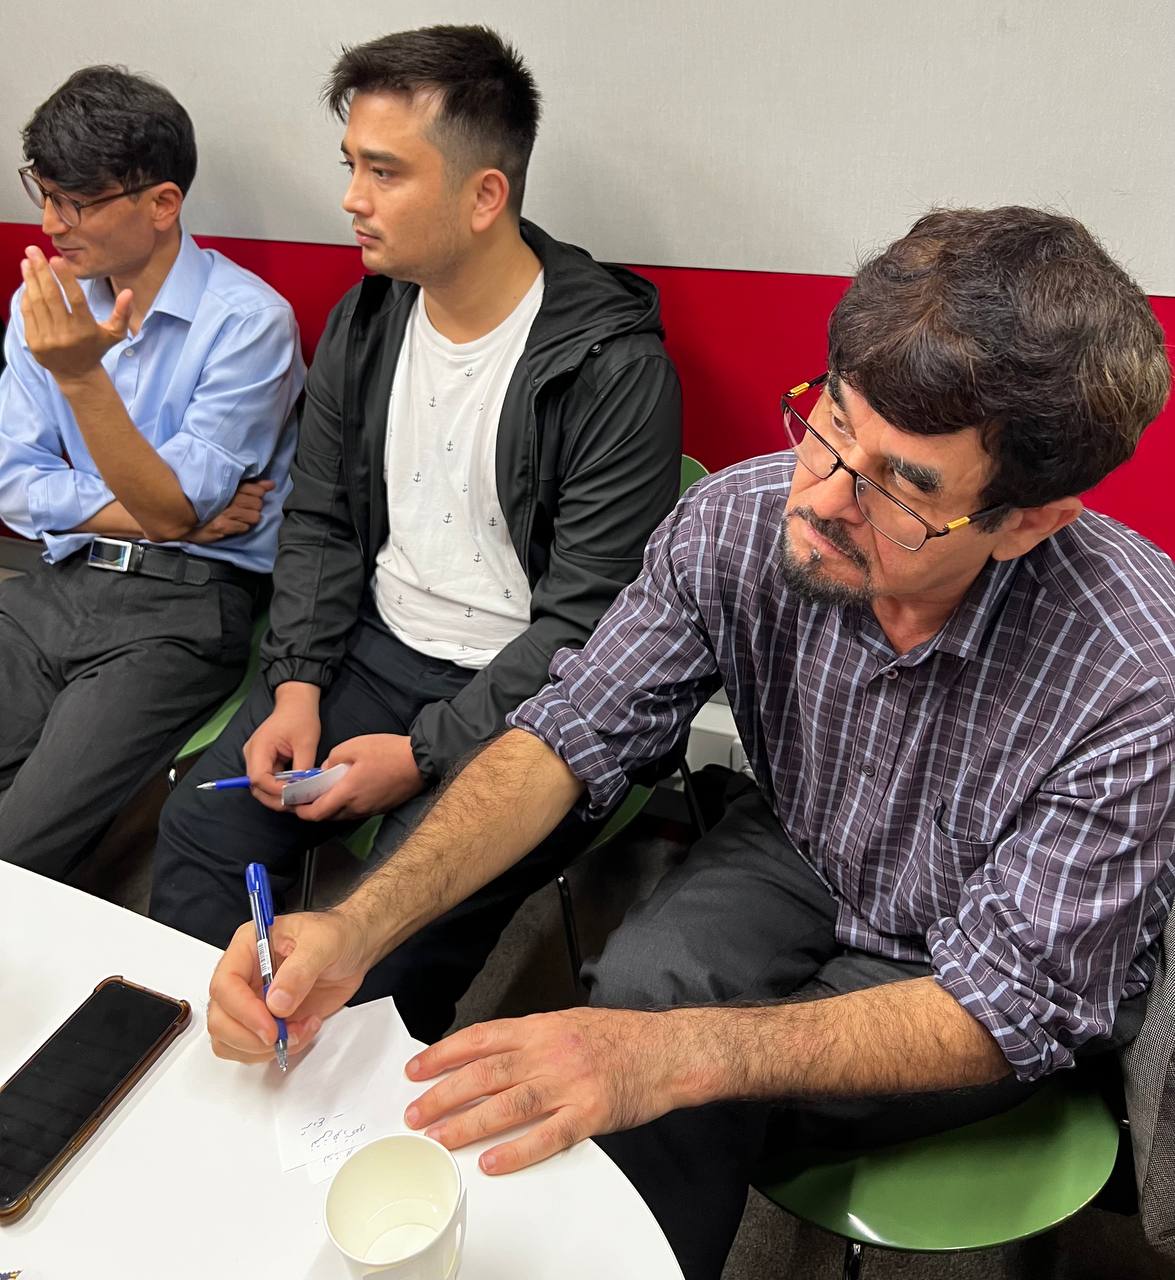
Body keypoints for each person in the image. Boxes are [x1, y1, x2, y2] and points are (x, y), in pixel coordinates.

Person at [205, 205, 1174, 1278]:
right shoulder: (735, 521)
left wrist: (675, 1060)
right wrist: (358, 923)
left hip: (984, 941)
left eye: (902, 487)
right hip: (807, 842)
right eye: (830, 422)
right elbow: (565, 736)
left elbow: (1005, 1002)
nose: (820, 498)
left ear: (1027, 521)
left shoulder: (1133, 667)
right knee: (637, 992)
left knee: (673, 1081)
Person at [149, 25, 682, 1039]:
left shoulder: (612, 369)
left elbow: (588, 625)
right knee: (203, 830)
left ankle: (343, 1118)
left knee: (385, 949)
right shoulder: (369, 320)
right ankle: (199, 1072)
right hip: (373, 649)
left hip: (529, 696)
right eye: (350, 165)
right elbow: (320, 519)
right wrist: (296, 682)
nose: (352, 198)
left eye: (384, 172)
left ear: (484, 195)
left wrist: (424, 753)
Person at [0, 66, 302, 879]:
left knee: (15, 850)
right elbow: (13, 485)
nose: (51, 224)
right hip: (54, 583)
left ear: (162, 203)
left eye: (77, 202)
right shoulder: (47, 307)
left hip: (180, 607)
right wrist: (159, 512)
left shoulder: (249, 323)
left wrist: (82, 384)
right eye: (44, 194)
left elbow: (172, 511)